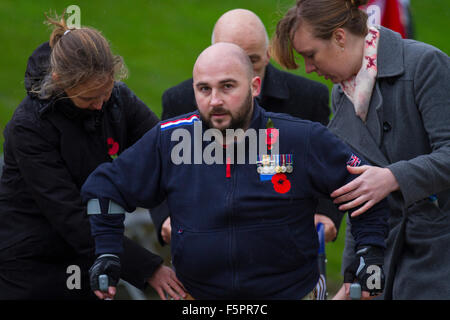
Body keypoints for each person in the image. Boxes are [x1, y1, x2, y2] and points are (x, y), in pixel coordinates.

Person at [81, 42, 389, 300]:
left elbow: (367, 185)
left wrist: (368, 255)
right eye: (204, 89)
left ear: (255, 86)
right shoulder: (170, 140)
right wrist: (108, 251)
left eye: (227, 87)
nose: (215, 101)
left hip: (292, 293)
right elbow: (103, 189)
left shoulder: (301, 138)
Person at [271, 0, 450, 299]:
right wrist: (353, 279)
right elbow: (358, 196)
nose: (309, 68)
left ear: (339, 37)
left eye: (310, 55)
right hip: (388, 263)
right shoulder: (341, 96)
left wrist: (392, 177)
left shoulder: (425, 64)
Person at [0, 12, 186, 300]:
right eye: (89, 99)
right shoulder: (28, 128)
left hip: (90, 256)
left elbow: (164, 153)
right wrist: (149, 268)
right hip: (32, 264)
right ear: (60, 81)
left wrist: (168, 215)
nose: (100, 105)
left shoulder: (117, 100)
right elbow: (72, 218)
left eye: (105, 93)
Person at [151, 8, 339, 248]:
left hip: (285, 246)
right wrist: (165, 217)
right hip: (207, 244)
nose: (243, 71)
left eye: (252, 60)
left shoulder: (307, 99)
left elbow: (330, 165)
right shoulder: (180, 101)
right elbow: (159, 169)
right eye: (231, 59)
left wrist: (326, 214)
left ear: (268, 54)